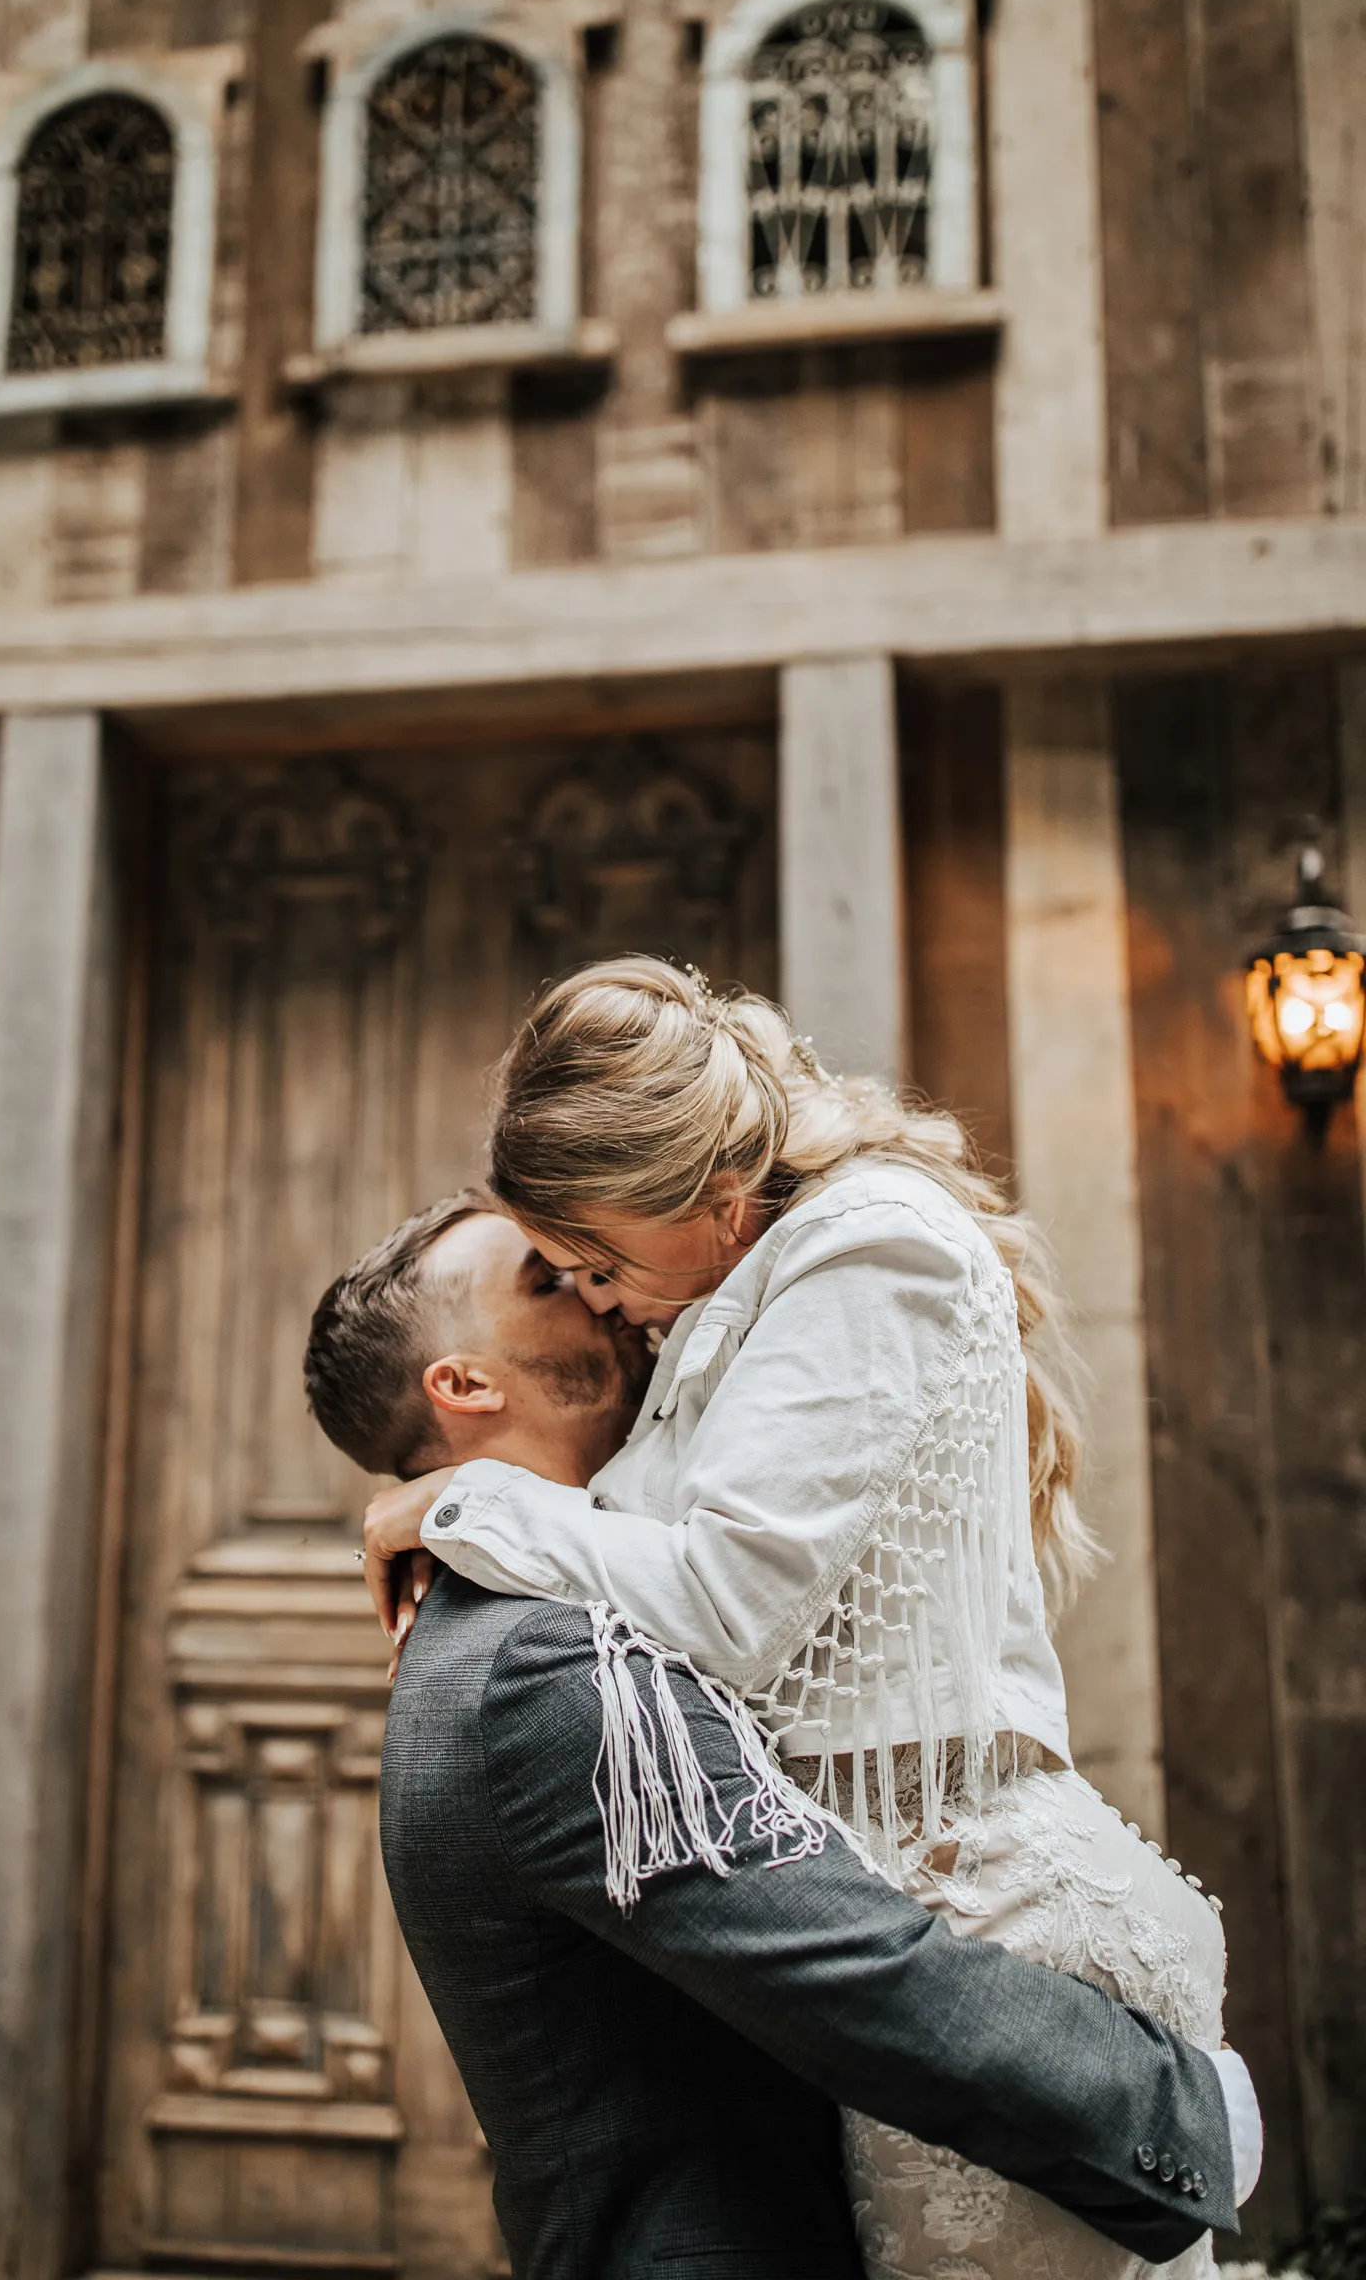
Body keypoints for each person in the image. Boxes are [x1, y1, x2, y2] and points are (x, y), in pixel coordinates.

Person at [346, 957, 1248, 2280]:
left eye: (591, 1262)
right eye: (561, 1274)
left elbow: (728, 1599)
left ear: (711, 1199)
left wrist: (466, 1500)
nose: (594, 1296)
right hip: (915, 1961)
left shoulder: (858, 1248)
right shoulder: (548, 1608)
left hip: (995, 1941)